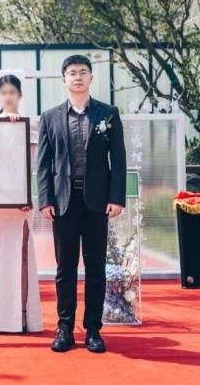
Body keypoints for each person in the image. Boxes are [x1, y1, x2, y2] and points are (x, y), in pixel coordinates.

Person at [37, 54, 126, 353]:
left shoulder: (108, 114)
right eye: (72, 73)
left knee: (96, 268)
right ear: (64, 80)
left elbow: (119, 159)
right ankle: (64, 328)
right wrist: (45, 199)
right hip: (63, 203)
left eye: (83, 72)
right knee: (65, 269)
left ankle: (93, 330)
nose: (77, 77)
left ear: (91, 78)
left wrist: (116, 197)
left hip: (96, 204)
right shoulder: (50, 117)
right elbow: (44, 164)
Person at [0, 74, 43, 333]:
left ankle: (23, 316)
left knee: (23, 256)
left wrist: (23, 196)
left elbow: (29, 165)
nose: (8, 96)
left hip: (21, 202)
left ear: (20, 95)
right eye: (3, 92)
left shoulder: (30, 125)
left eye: (12, 92)